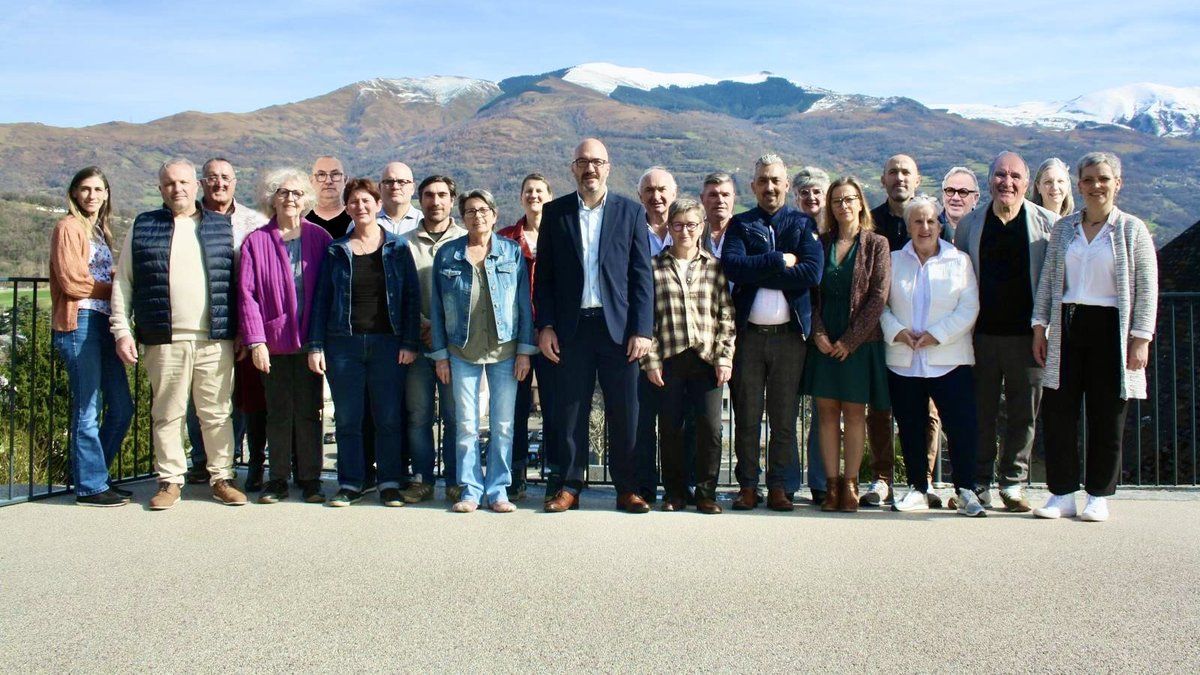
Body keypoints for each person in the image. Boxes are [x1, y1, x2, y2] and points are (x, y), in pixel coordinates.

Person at [110, 158, 245, 510]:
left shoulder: (220, 226)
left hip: (215, 337)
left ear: (196, 185)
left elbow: (237, 285)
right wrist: (122, 330)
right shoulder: (144, 226)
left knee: (216, 413)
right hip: (163, 337)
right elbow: (124, 281)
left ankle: (222, 478)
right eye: (170, 183)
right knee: (167, 413)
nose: (177, 189)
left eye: (183, 182)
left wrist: (242, 332)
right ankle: (170, 481)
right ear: (161, 189)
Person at [1032, 152, 1158, 523]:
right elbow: (1048, 283)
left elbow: (1147, 288)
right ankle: (1061, 494)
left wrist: (1141, 338)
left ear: (1117, 183)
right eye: (1088, 179)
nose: (1095, 186)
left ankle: (1099, 495)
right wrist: (1040, 326)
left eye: (1103, 179)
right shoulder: (1064, 229)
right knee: (1059, 413)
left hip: (1113, 330)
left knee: (1107, 415)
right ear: (1079, 184)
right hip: (1068, 326)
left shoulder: (1132, 230)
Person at [535, 138, 654, 514]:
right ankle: (569, 486)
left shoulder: (630, 212)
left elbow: (641, 277)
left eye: (597, 162)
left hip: (618, 331)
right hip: (571, 329)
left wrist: (642, 329)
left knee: (626, 411)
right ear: (573, 168)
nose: (590, 169)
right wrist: (547, 326)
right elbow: (546, 279)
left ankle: (627, 488)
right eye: (583, 162)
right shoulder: (555, 213)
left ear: (609, 167)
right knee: (570, 412)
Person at [953, 151, 1057, 511]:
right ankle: (980, 481)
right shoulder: (969, 225)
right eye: (1000, 175)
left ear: (1027, 184)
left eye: (1014, 176)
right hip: (980, 336)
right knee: (979, 411)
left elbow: (1056, 283)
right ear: (989, 180)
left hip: (1028, 338)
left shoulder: (1048, 225)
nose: (1006, 182)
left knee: (1023, 413)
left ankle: (1013, 483)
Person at [307, 178, 420, 507]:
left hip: (388, 343)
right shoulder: (335, 250)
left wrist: (410, 342)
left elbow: (411, 298)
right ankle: (352, 483)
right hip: (344, 345)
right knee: (347, 418)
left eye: (366, 200)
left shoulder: (398, 248)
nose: (360, 206)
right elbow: (322, 301)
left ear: (377, 203)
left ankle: (389, 482)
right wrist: (316, 346)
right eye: (354, 202)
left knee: (387, 417)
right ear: (347, 207)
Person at [722, 153, 823, 512]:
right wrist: (778, 260)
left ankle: (780, 486)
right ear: (753, 186)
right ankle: (748, 485)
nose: (769, 187)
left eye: (775, 180)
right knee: (746, 417)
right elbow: (733, 266)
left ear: (786, 184)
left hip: (790, 337)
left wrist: (758, 269)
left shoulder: (802, 223)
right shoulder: (740, 224)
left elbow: (812, 273)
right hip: (748, 336)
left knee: (784, 418)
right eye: (763, 181)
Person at [430, 189, 537, 513]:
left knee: (503, 425)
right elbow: (436, 307)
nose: (477, 216)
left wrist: (524, 351)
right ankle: (471, 490)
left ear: (494, 214)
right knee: (465, 424)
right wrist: (440, 355)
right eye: (470, 211)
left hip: (505, 350)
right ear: (462, 218)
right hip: (461, 351)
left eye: (483, 210)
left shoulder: (510, 252)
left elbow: (523, 305)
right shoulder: (448, 254)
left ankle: (499, 490)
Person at [881, 195, 986, 517]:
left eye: (930, 221)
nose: (924, 227)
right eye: (917, 221)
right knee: (910, 427)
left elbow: (969, 307)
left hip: (949, 359)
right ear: (908, 226)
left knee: (960, 426)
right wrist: (897, 330)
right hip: (904, 359)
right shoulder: (894, 260)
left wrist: (936, 335)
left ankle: (966, 489)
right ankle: (917, 488)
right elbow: (880, 305)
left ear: (940, 225)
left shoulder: (959, 261)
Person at [238, 168, 332, 504]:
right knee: (277, 412)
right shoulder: (256, 241)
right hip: (273, 344)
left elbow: (327, 292)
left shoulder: (320, 239)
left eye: (295, 193)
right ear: (271, 198)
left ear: (305, 198)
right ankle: (277, 479)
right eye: (282, 192)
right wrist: (256, 341)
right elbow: (247, 295)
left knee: (309, 412)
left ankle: (310, 478)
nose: (289, 198)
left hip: (311, 341)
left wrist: (321, 341)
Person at [802, 177, 891, 513]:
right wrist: (820, 335)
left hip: (860, 342)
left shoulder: (876, 245)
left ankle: (851, 484)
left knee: (855, 414)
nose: (843, 206)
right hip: (824, 342)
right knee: (825, 414)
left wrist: (850, 341)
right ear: (830, 207)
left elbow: (878, 297)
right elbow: (810, 293)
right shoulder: (819, 243)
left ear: (860, 203)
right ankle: (832, 486)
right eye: (837, 200)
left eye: (849, 199)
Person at [642, 198, 735, 514]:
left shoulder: (714, 266)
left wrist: (725, 356)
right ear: (669, 227)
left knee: (710, 427)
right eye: (678, 225)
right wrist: (651, 360)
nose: (684, 231)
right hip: (669, 359)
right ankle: (675, 492)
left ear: (701, 227)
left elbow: (726, 313)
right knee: (671, 428)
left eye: (691, 225)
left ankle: (706, 492)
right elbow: (647, 318)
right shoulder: (653, 266)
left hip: (706, 359)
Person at [49, 167, 134, 507]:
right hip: (79, 322)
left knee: (122, 407)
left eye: (98, 189)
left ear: (107, 193)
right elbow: (72, 282)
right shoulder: (68, 227)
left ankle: (93, 475)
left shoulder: (99, 231)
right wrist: (115, 287)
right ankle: (90, 485)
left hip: (103, 322)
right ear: (74, 192)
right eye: (85, 189)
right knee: (88, 408)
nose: (92, 195)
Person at [864, 154, 945, 507]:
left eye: (906, 172)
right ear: (883, 180)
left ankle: (923, 480)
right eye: (893, 172)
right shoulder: (872, 223)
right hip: (881, 328)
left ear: (917, 179)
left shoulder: (933, 221)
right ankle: (882, 478)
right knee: (880, 407)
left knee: (928, 411)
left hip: (927, 333)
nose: (899, 178)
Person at [185, 157, 269, 489]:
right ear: (202, 183)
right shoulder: (186, 219)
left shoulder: (255, 222)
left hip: (246, 324)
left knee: (242, 399)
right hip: (201, 322)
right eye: (212, 178)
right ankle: (202, 462)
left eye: (226, 178)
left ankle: (231, 462)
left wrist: (248, 330)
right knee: (200, 396)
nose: (219, 183)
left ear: (235, 182)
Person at [401, 175, 467, 503]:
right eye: (429, 195)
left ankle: (456, 480)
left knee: (456, 417)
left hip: (455, 348)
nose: (435, 201)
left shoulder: (468, 239)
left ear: (452, 200)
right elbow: (397, 293)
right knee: (419, 416)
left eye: (442, 195)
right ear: (420, 199)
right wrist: (425, 326)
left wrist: (442, 329)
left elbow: (475, 296)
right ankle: (422, 480)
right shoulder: (404, 243)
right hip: (418, 343)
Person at [497, 173, 558, 501]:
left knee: (554, 407)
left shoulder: (562, 235)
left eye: (539, 190)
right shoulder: (505, 238)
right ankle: (514, 475)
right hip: (514, 336)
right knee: (515, 408)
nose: (534, 196)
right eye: (528, 191)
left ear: (549, 195)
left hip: (552, 334)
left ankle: (555, 475)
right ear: (521, 197)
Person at [634, 166, 679, 503]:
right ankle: (644, 487)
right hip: (639, 339)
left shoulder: (690, 231)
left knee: (679, 421)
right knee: (641, 420)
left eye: (662, 189)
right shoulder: (631, 229)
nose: (656, 196)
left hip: (679, 340)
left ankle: (681, 487)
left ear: (673, 194)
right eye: (649, 190)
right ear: (640, 196)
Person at [791, 165, 832, 504]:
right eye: (805, 192)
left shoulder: (837, 233)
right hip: (796, 328)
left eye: (817, 191)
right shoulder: (790, 229)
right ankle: (787, 481)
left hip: (830, 334)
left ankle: (820, 482)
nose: (812, 197)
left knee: (824, 412)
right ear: (796, 197)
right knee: (786, 410)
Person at [306, 156, 352, 238]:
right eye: (321, 175)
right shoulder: (301, 221)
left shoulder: (357, 219)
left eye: (335, 174)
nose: (328, 181)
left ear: (345, 180)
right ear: (311, 181)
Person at [375, 161, 422, 236]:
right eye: (389, 181)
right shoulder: (362, 222)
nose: (395, 187)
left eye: (402, 182)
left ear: (412, 188)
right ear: (380, 187)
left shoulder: (424, 222)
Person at [700, 172, 736, 257]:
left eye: (725, 195)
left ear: (733, 198)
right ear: (702, 198)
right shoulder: (692, 233)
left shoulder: (744, 232)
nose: (720, 200)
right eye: (713, 195)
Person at [941, 166, 981, 236]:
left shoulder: (986, 231)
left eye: (963, 192)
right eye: (950, 191)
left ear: (975, 198)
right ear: (943, 195)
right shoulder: (928, 228)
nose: (955, 198)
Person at [793, 166, 830, 230]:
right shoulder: (788, 230)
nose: (811, 197)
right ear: (796, 199)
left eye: (817, 192)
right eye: (804, 193)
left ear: (826, 197)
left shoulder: (837, 231)